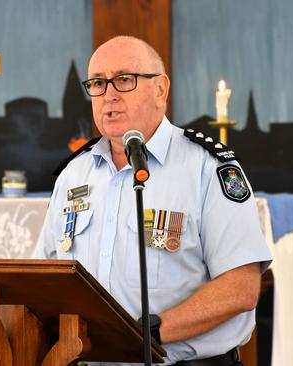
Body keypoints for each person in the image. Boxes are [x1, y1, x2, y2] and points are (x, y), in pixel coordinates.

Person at [35, 35, 272, 366]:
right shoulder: (73, 175)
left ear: (160, 89)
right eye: (98, 83)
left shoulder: (206, 168)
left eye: (124, 79)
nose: (110, 95)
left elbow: (241, 288)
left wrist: (150, 333)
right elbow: (43, 278)